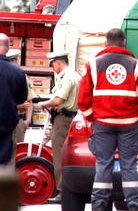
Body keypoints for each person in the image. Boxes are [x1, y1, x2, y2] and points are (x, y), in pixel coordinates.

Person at [77, 28, 138, 211]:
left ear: (105, 43)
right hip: (129, 124)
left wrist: (91, 116)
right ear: (124, 42)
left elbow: (83, 97)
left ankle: (99, 210)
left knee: (104, 164)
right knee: (129, 164)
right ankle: (134, 210)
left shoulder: (93, 65)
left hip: (102, 123)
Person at [34, 50, 80, 201]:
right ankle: (66, 189)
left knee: (59, 154)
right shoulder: (75, 76)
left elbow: (58, 100)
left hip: (63, 119)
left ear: (58, 62)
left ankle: (61, 191)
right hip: (68, 118)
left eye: (53, 64)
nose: (52, 67)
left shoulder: (67, 78)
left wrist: (42, 104)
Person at [0, 34, 28, 167]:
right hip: (6, 125)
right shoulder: (18, 72)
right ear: (7, 48)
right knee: (4, 162)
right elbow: (22, 99)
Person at [6, 49, 36, 167]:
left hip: (16, 120)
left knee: (16, 154)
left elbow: (29, 100)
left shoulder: (21, 76)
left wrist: (27, 121)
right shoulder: (20, 75)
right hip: (12, 118)